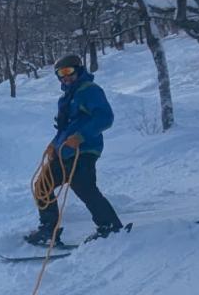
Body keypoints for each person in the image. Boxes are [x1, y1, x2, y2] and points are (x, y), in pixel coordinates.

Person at [23, 53, 124, 246]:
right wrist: (55, 144)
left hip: (85, 150)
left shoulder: (90, 91)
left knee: (83, 186)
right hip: (65, 152)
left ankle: (110, 226)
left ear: (78, 70)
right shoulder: (67, 98)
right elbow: (66, 127)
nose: (65, 77)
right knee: (42, 185)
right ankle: (49, 230)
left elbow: (105, 117)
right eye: (61, 74)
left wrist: (81, 136)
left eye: (68, 71)